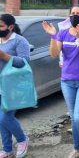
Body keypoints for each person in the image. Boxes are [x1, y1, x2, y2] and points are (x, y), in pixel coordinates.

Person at [42, 5, 79, 158]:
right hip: (67, 81)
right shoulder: (63, 33)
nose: (74, 15)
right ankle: (77, 149)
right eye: (72, 13)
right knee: (73, 117)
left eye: (78, 13)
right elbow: (53, 54)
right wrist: (53, 36)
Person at [0, 14, 30, 158]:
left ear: (10, 27)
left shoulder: (19, 41)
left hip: (15, 85)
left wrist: (4, 56)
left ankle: (22, 139)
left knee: (5, 117)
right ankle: (7, 149)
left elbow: (24, 63)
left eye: (1, 26)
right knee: (1, 119)